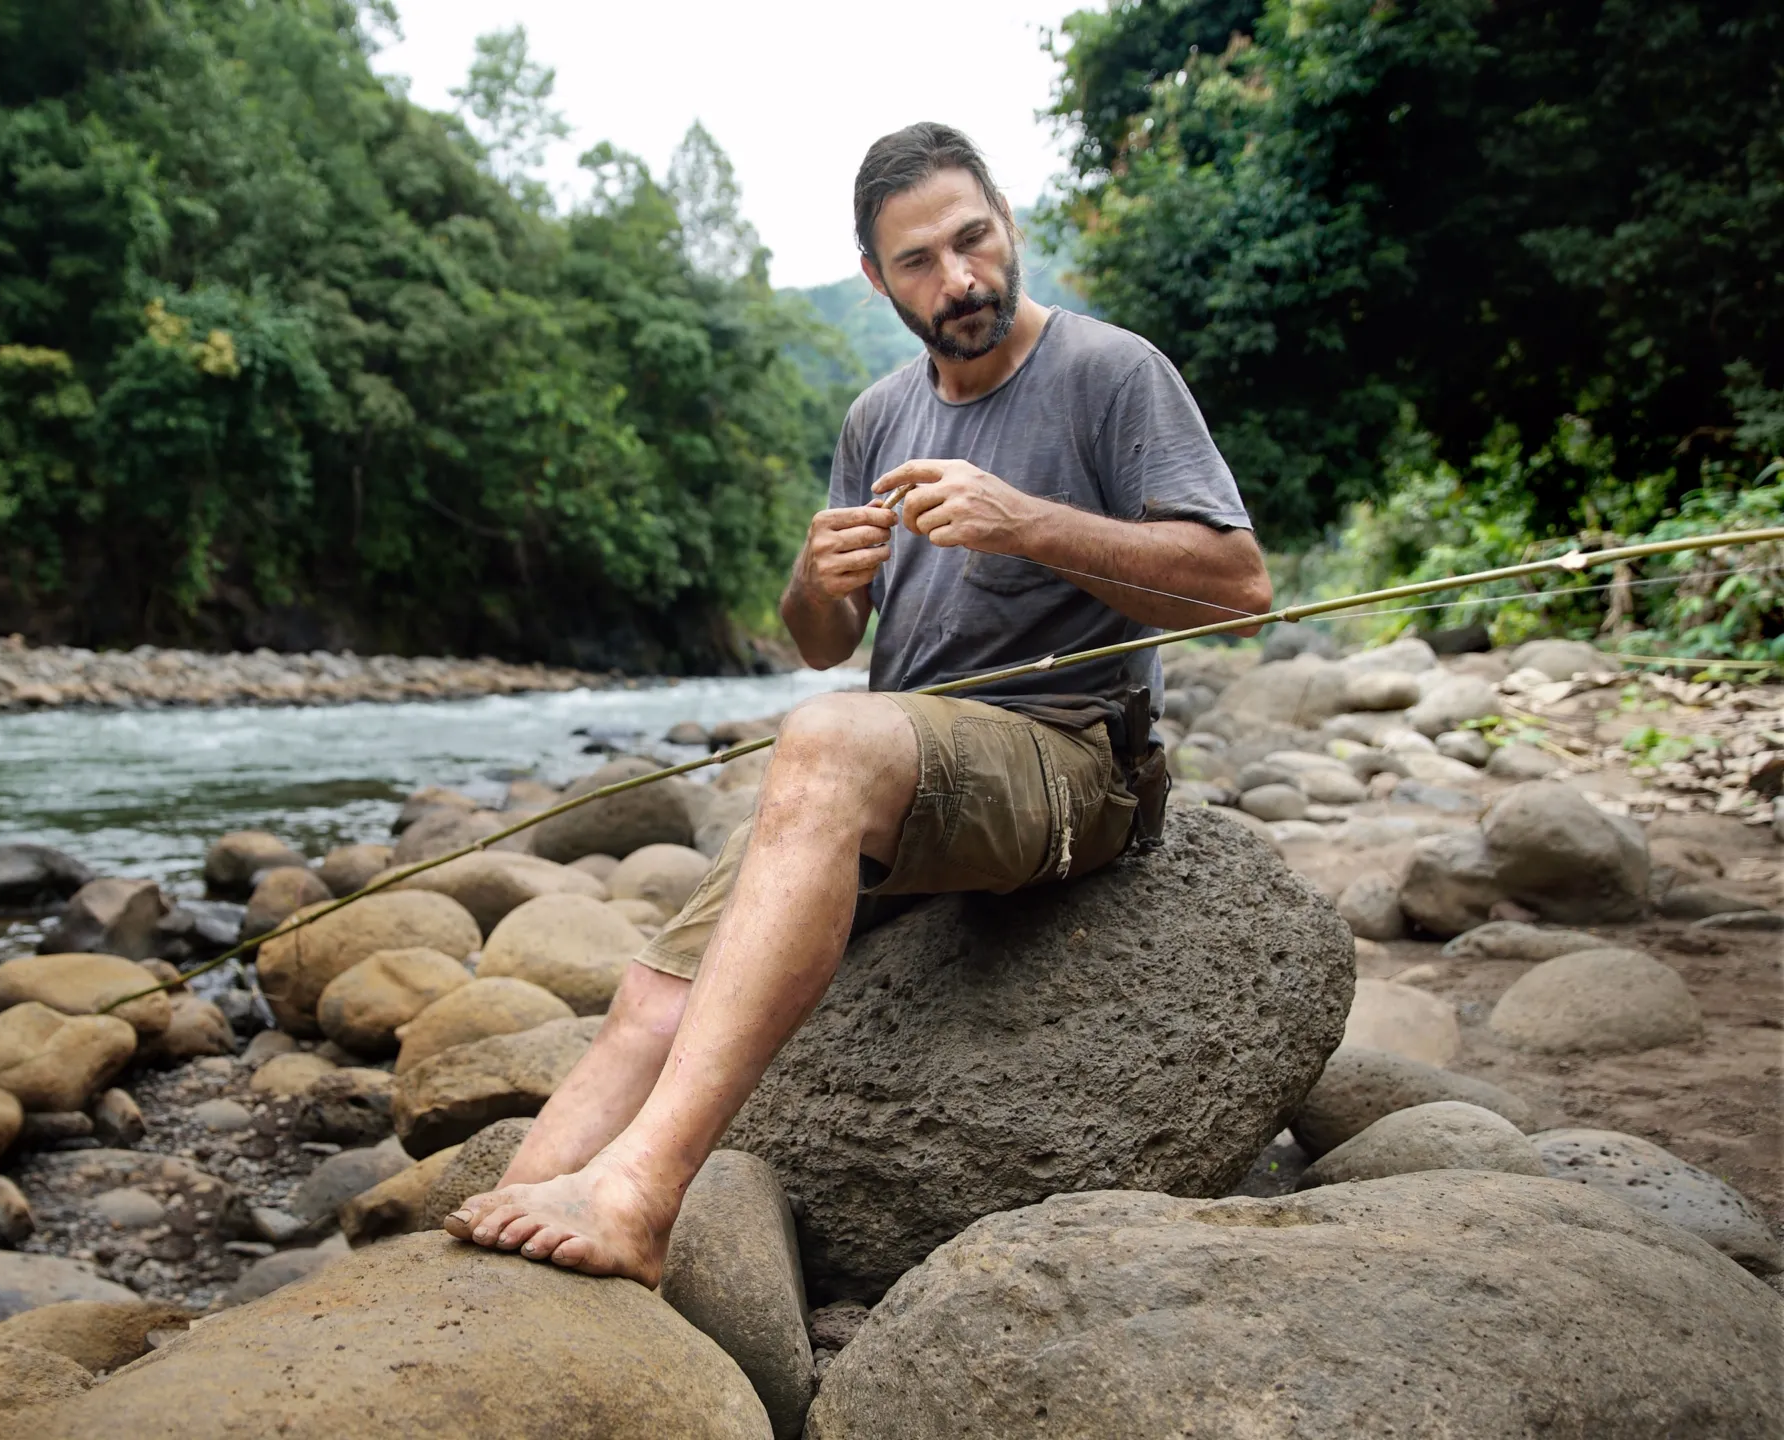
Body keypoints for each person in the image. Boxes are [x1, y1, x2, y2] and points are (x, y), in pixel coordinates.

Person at [443, 121, 1273, 1285]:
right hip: (900, 768)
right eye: (921, 264)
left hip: (1075, 759)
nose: (961, 280)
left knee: (823, 745)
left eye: (972, 242)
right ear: (878, 281)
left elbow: (1238, 592)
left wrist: (1022, 520)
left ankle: (637, 1199)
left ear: (1008, 225)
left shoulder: (1110, 372)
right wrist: (811, 577)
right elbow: (824, 641)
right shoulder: (878, 416)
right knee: (651, 992)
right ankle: (519, 1210)